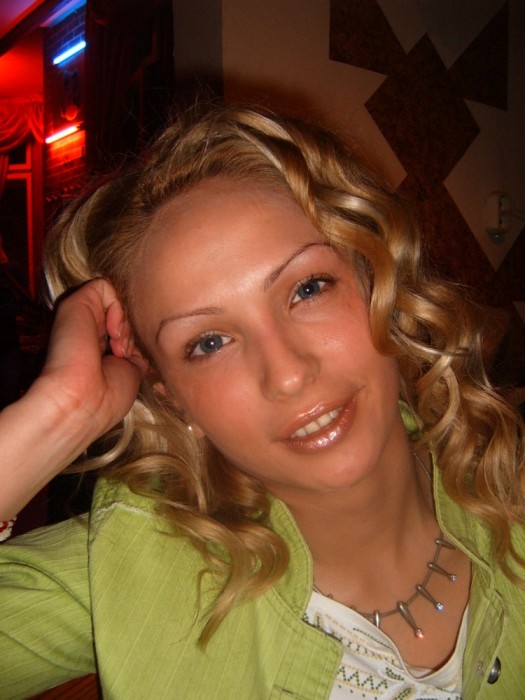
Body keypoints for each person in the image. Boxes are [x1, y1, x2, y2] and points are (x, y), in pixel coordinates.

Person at [0, 104, 523, 699]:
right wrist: (58, 412)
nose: (289, 375)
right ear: (173, 397)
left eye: (308, 288)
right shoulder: (130, 567)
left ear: (376, 279)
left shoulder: (512, 492)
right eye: (209, 342)